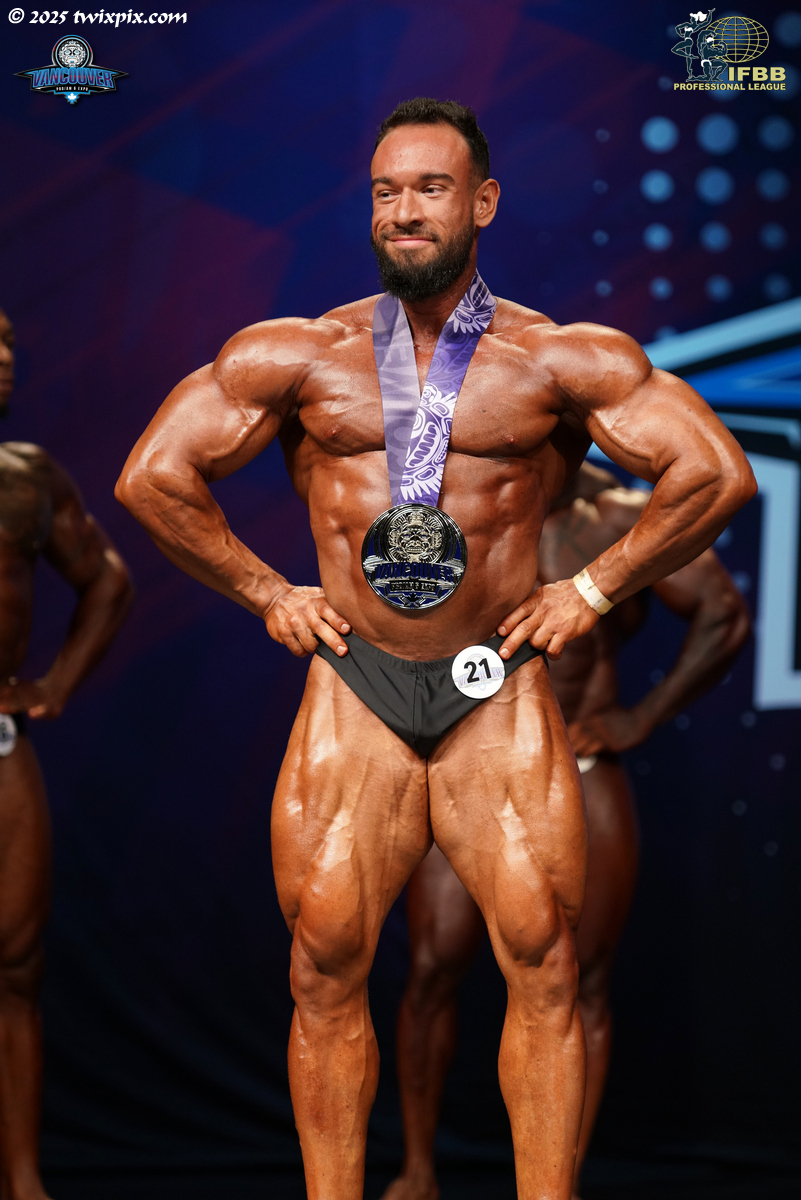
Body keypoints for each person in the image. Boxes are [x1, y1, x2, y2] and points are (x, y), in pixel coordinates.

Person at [115, 98, 755, 1200]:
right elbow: (151, 477)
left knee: (544, 963)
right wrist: (265, 589)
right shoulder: (299, 354)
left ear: (482, 203)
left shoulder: (556, 357)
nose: (403, 211)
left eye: (429, 189)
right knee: (324, 965)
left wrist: (592, 586)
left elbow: (714, 473)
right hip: (355, 687)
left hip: (493, 690)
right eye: (386, 192)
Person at [380, 462, 751, 1200]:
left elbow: (723, 614)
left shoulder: (617, 517)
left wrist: (640, 718)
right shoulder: (449, 503)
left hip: (578, 765)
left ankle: (563, 1185)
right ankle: (417, 1173)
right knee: (430, 968)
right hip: (466, 765)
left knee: (582, 983)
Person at [0, 307, 133, 1200]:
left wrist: (52, 685)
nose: (3, 357)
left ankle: (23, 1182)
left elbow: (107, 580)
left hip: (0, 748)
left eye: (9, 341)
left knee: (15, 971)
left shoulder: (24, 478)